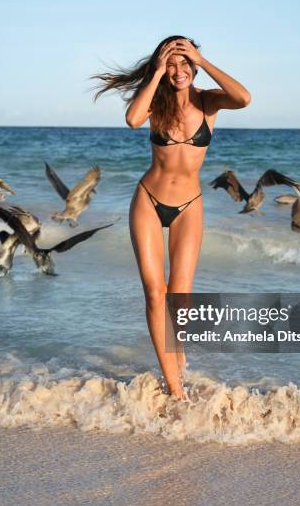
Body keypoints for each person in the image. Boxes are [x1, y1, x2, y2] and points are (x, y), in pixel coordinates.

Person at [93, 36, 250, 398]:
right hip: (149, 201)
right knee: (154, 293)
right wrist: (157, 72)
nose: (179, 71)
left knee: (181, 299)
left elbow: (244, 98)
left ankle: (176, 362)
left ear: (194, 65)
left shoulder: (209, 102)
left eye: (185, 63)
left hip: (189, 207)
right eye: (172, 64)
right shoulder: (155, 104)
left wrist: (203, 60)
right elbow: (132, 119)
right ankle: (175, 388)